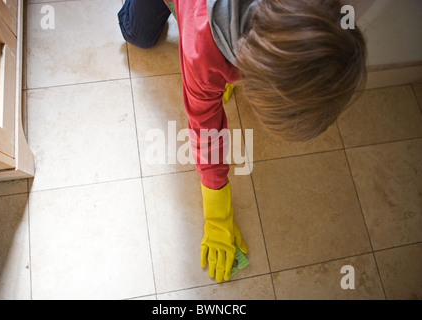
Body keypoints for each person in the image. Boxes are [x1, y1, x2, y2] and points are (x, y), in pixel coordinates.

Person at [118, 0, 367, 283]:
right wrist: (217, 212)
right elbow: (204, 127)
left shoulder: (320, 11)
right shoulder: (202, 45)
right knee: (138, 35)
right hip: (197, 15)